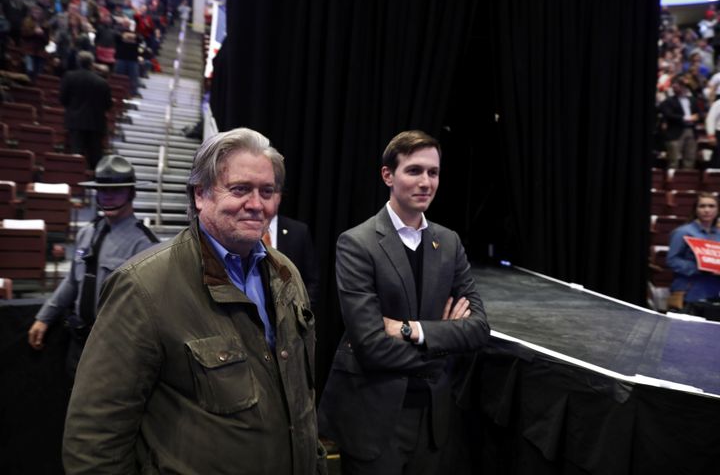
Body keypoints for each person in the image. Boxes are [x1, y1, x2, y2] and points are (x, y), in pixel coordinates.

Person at [63, 128, 326, 474]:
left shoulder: (286, 274)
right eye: (240, 189)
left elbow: (299, 402)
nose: (256, 204)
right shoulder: (142, 287)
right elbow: (94, 440)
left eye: (267, 191)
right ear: (200, 194)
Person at [318, 130, 490, 474]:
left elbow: (479, 329)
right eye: (414, 171)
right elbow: (370, 346)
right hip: (373, 419)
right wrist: (442, 347)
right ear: (388, 175)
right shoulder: (357, 243)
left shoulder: (449, 242)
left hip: (432, 421)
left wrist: (411, 330)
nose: (426, 182)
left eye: (433, 172)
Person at [27, 155, 159, 378]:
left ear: (132, 193)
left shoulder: (144, 244)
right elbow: (72, 283)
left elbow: (148, 308)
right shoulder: (87, 233)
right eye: (102, 190)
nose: (107, 196)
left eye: (115, 190)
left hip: (115, 348)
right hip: (78, 342)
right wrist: (44, 317)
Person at [263, 148, 320, 309]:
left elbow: (311, 281)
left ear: (279, 195)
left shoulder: (298, 232)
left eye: (269, 191)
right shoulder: (245, 228)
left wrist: (300, 312)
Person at [666, 192, 720, 313]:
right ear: (695, 209)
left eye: (711, 206)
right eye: (702, 206)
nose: (707, 210)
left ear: (717, 210)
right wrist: (701, 268)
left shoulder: (718, 234)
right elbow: (672, 260)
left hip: (715, 292)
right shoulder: (683, 232)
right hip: (690, 291)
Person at [60, 50, 113, 169]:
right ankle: (94, 184)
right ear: (91, 64)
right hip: (96, 123)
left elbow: (63, 99)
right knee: (95, 158)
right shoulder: (102, 82)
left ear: (78, 62)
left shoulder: (69, 77)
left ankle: (75, 183)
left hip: (75, 121)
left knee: (76, 156)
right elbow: (108, 105)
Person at [659, 76, 699, 169]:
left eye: (681, 86)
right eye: (675, 86)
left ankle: (686, 181)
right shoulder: (668, 101)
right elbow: (668, 114)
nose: (678, 88)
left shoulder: (692, 99)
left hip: (691, 131)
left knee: (690, 159)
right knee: (674, 160)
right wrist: (686, 118)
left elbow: (699, 113)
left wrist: (698, 116)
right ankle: (672, 182)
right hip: (675, 131)